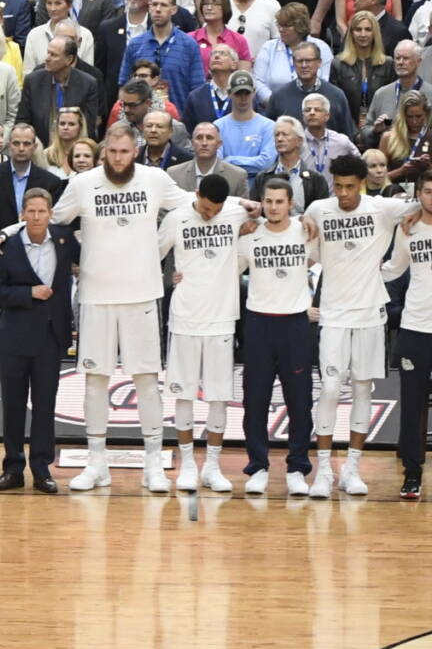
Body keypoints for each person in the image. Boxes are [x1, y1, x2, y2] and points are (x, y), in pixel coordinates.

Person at [50, 122, 186, 491]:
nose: (118, 158)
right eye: (112, 152)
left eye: (124, 152)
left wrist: (245, 209)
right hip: (95, 295)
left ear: (136, 151)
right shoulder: (82, 184)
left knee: (146, 380)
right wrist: (5, 233)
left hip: (142, 293)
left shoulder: (155, 179)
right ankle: (96, 463)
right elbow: (49, 222)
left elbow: (196, 205)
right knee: (95, 380)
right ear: (102, 151)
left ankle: (153, 464)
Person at [306, 153, 410, 496]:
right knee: (332, 389)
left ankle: (352, 469)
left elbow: (420, 206)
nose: (344, 194)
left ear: (362, 184)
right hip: (333, 314)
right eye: (338, 186)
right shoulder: (318, 210)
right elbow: (305, 255)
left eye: (350, 187)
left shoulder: (383, 209)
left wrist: (412, 222)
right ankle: (323, 470)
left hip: (369, 314)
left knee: (363, 390)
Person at [157, 176, 249, 496]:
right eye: (207, 209)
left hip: (222, 318)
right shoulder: (176, 218)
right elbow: (151, 254)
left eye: (217, 210)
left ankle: (212, 466)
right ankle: (187, 465)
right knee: (183, 394)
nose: (211, 214)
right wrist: (168, 276)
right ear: (196, 195)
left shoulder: (236, 212)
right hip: (184, 318)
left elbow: (263, 212)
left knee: (218, 396)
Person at [0, 189, 78, 493]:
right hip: (14, 338)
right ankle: (13, 468)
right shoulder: (5, 245)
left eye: (42, 211)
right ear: (22, 214)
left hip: (50, 339)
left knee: (44, 406)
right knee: (13, 406)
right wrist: (28, 293)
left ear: (50, 213)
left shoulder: (65, 241)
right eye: (31, 211)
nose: (37, 217)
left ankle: (42, 469)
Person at [238, 176, 322, 496]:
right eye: (268, 201)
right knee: (255, 401)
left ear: (291, 204)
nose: (273, 207)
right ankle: (257, 466)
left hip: (295, 326)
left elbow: (330, 262)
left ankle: (297, 468)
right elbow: (227, 269)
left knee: (299, 401)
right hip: (259, 324)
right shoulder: (249, 234)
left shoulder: (305, 231)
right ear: (262, 201)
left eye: (279, 201)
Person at [390, 178, 432, 501]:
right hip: (416, 325)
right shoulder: (408, 229)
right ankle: (412, 473)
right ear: (418, 195)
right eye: (428, 191)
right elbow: (393, 269)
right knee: (412, 403)